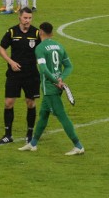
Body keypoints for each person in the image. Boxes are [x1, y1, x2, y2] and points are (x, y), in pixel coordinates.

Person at [19, 22, 84, 155]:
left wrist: (55, 81)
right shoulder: (59, 46)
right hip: (57, 85)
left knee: (62, 115)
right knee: (43, 114)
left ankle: (78, 146)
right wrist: (60, 78)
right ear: (52, 33)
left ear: (40, 32)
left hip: (50, 88)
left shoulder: (40, 48)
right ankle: (33, 143)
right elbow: (69, 66)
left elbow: (43, 69)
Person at [0, 8, 40, 145]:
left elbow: (43, 50)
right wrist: (10, 62)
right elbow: (1, 48)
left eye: (29, 18)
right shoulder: (12, 32)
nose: (27, 21)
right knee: (8, 103)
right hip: (14, 74)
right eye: (25, 18)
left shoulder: (36, 33)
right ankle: (8, 135)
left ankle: (30, 134)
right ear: (19, 18)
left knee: (30, 103)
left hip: (31, 75)